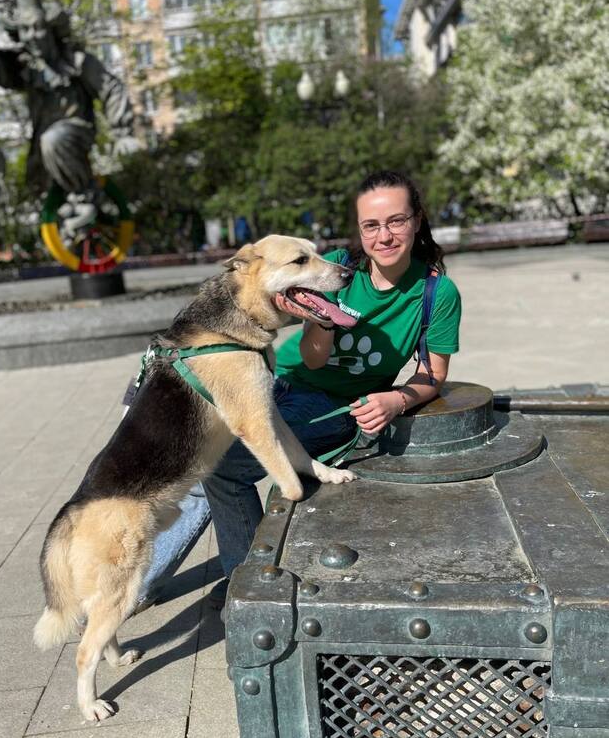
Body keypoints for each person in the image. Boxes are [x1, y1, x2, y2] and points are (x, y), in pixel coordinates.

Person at [137, 170, 462, 608]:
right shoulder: (334, 268)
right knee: (196, 460)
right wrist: (323, 318)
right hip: (276, 379)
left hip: (332, 407)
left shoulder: (436, 292)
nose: (384, 236)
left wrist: (396, 399)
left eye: (396, 221)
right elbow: (311, 357)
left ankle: (251, 587)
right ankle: (133, 588)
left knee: (226, 468)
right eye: (371, 225)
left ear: (417, 220)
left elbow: (432, 375)